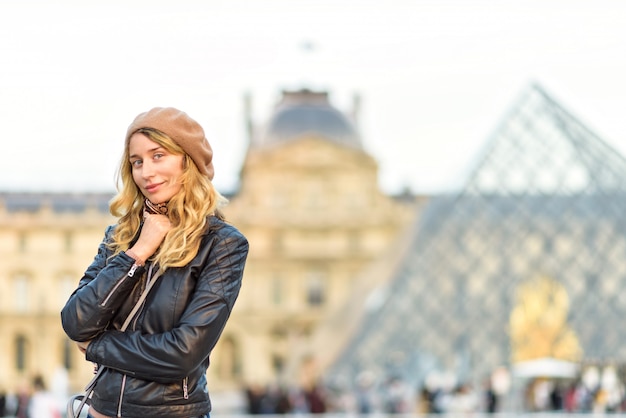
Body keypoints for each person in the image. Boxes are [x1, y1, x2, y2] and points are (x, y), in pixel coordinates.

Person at [61, 107, 249, 418]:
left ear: (187, 160)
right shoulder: (121, 235)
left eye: (158, 155)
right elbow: (75, 321)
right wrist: (137, 253)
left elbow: (182, 354)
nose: (146, 172)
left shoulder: (222, 244)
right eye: (137, 162)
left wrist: (97, 346)